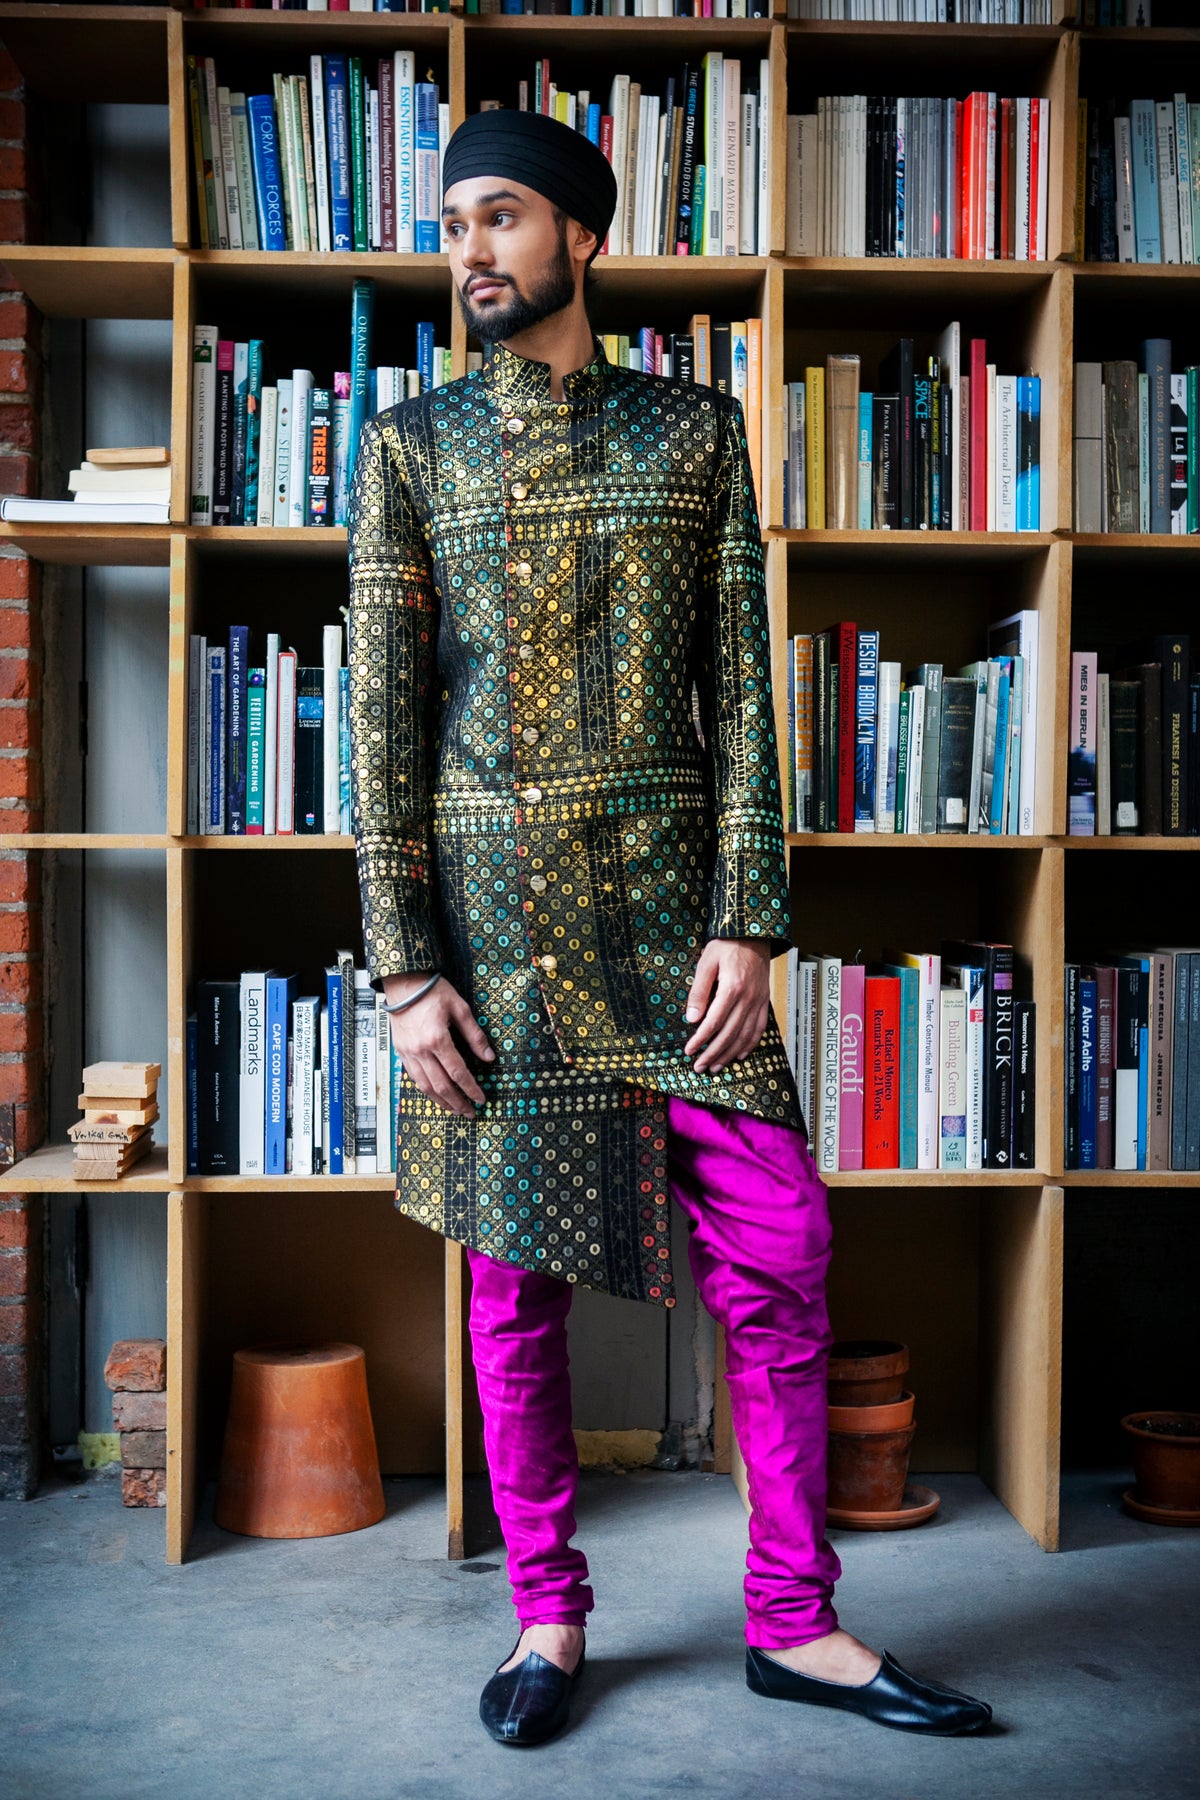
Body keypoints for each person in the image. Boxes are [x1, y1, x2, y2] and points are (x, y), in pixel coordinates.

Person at [347, 107, 993, 1748]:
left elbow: (746, 702)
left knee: (779, 1257)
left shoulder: (694, 434)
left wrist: (752, 922)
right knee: (514, 1299)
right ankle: (550, 1618)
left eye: (501, 217)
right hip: (493, 949)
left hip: (680, 941)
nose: (471, 251)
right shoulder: (411, 449)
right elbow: (384, 730)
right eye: (452, 225)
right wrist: (406, 966)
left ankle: (797, 1621)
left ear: (582, 235)